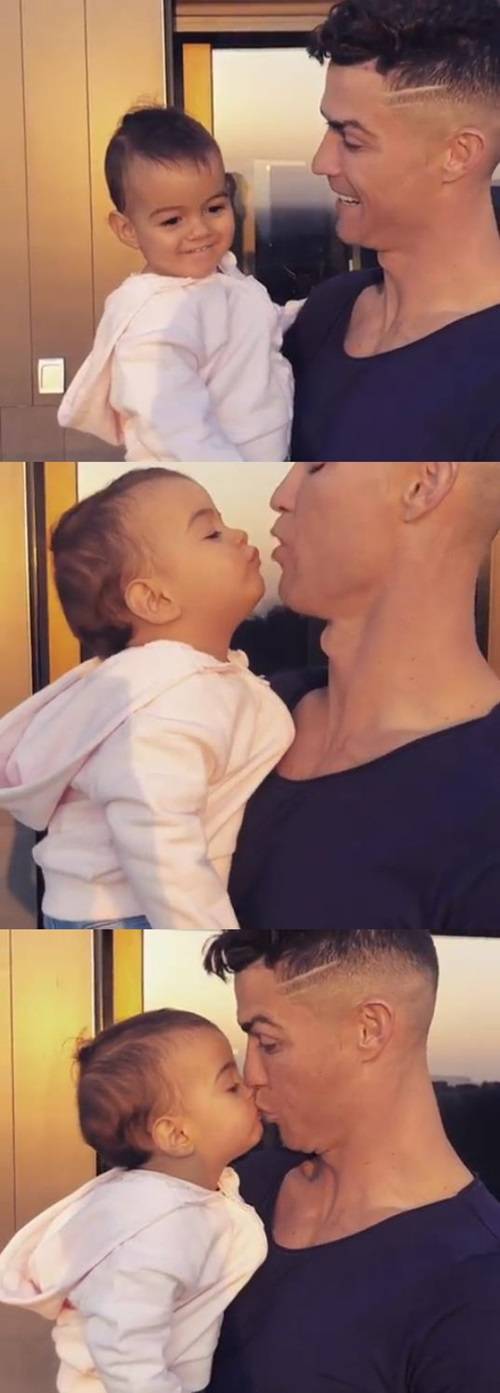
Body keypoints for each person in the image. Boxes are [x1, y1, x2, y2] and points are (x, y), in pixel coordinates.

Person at [203, 927, 500, 1393]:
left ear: (369, 1029)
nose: (251, 1075)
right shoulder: (233, 1192)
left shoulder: (477, 1290)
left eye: (269, 1043)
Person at [0, 467, 293, 930]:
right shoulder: (169, 697)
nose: (237, 534)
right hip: (135, 912)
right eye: (211, 533)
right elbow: (156, 833)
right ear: (155, 599)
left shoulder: (185, 678)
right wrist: (205, 933)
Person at [229, 461, 500, 932]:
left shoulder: (484, 816)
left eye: (317, 466)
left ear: (424, 483)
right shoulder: (243, 706)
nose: (281, 495)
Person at [0, 1007, 267, 1393]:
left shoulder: (191, 1197)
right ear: (176, 1135)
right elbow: (125, 1349)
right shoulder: (156, 1229)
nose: (252, 1087)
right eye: (231, 1086)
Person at [285, 0, 500, 461]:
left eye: (352, 140)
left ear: (458, 154)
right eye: (329, 130)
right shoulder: (325, 312)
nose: (321, 162)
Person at [58, 106, 300, 462]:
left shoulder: (221, 277)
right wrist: (236, 478)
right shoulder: (156, 321)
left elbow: (257, 324)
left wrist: (316, 310)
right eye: (172, 221)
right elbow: (173, 428)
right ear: (128, 229)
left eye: (214, 209)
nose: (200, 230)